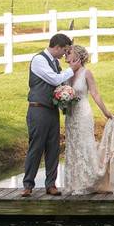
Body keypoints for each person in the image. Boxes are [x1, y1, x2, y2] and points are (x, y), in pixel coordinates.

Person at [63, 44, 114, 195]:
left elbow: (95, 94)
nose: (66, 56)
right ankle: (73, 183)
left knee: (84, 144)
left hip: (82, 114)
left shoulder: (86, 73)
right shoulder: (67, 74)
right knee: (73, 146)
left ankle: (88, 182)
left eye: (69, 53)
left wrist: (106, 112)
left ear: (78, 57)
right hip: (70, 115)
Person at [22, 34, 74, 197]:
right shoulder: (39, 60)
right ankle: (28, 185)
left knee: (53, 148)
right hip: (38, 110)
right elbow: (53, 79)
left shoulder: (55, 63)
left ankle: (51, 184)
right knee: (36, 147)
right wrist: (72, 69)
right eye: (64, 51)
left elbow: (60, 83)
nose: (64, 55)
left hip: (52, 110)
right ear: (57, 47)